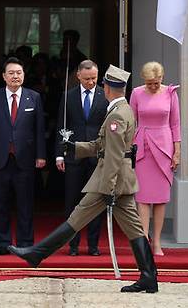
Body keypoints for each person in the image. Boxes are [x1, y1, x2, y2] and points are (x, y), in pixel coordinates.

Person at [8, 65, 159, 294]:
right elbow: (101, 145)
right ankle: (149, 276)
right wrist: (75, 147)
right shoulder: (122, 109)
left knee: (76, 218)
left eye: (104, 85)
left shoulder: (116, 115)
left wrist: (108, 189)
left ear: (108, 87)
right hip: (121, 181)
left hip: (110, 183)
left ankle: (36, 254)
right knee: (135, 229)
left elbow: (113, 156)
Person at [0, 57, 46, 255]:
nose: (15, 76)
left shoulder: (34, 97)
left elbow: (39, 129)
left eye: (19, 73)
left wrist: (41, 155)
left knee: (25, 204)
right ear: (4, 76)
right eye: (11, 73)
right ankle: (3, 243)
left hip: (25, 159)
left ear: (23, 75)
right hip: (0, 159)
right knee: (0, 204)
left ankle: (25, 243)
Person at [55, 60, 108, 256]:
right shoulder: (68, 96)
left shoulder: (105, 96)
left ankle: (93, 245)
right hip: (73, 156)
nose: (91, 82)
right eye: (87, 79)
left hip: (96, 156)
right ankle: (73, 244)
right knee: (72, 202)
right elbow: (61, 125)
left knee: (95, 201)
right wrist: (59, 154)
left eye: (94, 78)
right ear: (78, 76)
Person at [130, 61, 180, 256]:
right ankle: (143, 241)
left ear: (161, 78)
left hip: (165, 147)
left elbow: (175, 124)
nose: (152, 87)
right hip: (142, 147)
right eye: (149, 83)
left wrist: (177, 151)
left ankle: (157, 242)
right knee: (142, 198)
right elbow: (130, 121)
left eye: (156, 83)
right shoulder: (136, 93)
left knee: (160, 199)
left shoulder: (171, 93)